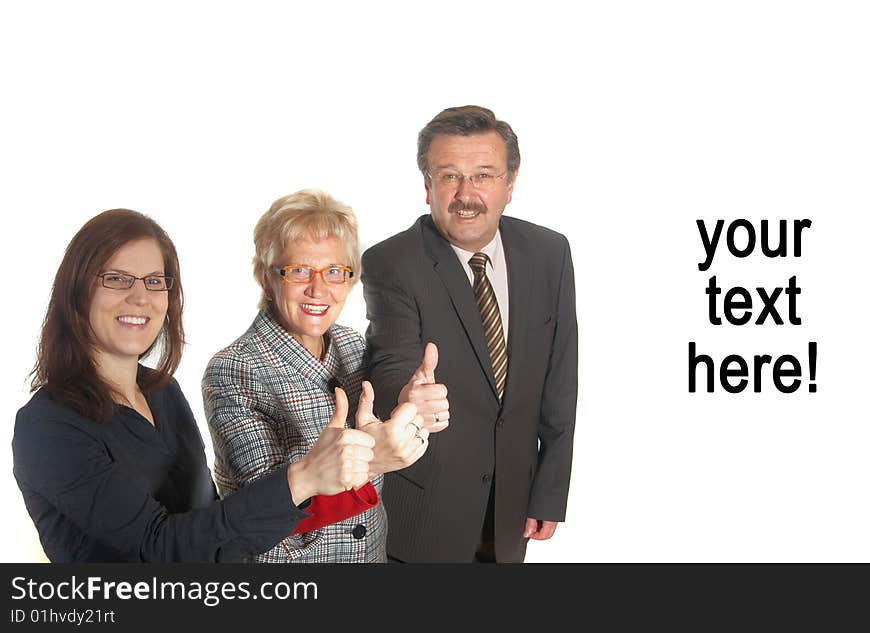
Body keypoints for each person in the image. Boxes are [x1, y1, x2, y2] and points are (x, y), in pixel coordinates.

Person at [12, 209, 377, 562]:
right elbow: (157, 548)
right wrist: (304, 478)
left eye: (154, 281)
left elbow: (214, 525)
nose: (140, 297)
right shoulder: (48, 426)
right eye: (117, 278)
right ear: (77, 291)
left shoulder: (161, 391)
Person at [361, 105, 578, 563]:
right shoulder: (392, 262)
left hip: (513, 508)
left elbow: (560, 382)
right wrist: (406, 394)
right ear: (427, 187)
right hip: (427, 511)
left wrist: (549, 490)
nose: (466, 194)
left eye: (483, 175)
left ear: (510, 184)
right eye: (449, 176)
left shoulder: (549, 254)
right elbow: (391, 357)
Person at [203, 189, 448, 563]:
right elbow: (263, 511)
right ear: (266, 277)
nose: (319, 289)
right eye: (299, 270)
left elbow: (382, 424)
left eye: (334, 271)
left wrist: (409, 403)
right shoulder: (235, 369)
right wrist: (371, 460)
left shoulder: (352, 346)